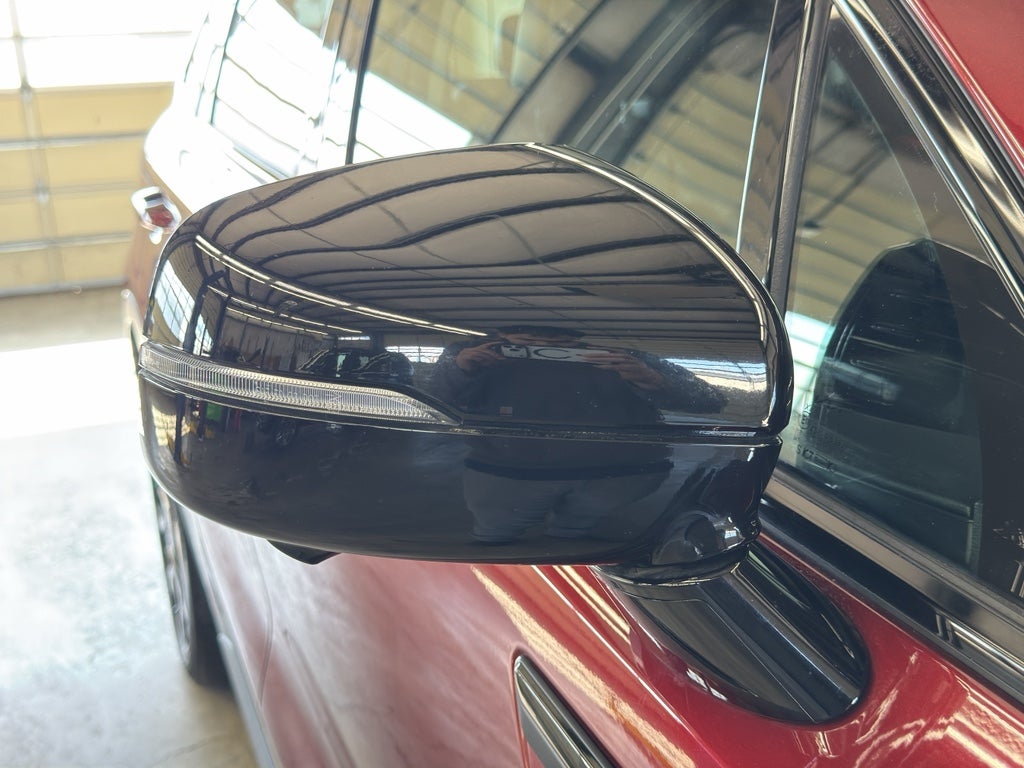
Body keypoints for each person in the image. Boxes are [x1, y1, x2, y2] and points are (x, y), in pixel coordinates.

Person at [429, 325, 726, 543]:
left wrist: (652, 379)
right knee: (495, 537)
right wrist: (460, 367)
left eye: (559, 340)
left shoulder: (623, 357)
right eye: (527, 340)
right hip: (508, 473)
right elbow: (433, 402)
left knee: (570, 535)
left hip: (618, 475)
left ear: (579, 335)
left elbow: (711, 400)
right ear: (500, 334)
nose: (544, 344)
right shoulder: (476, 354)